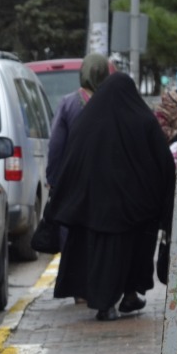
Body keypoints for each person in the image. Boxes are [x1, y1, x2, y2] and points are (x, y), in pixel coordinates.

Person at [44, 71, 176, 321]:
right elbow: (164, 164)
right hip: (135, 210)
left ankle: (105, 303)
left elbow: (72, 159)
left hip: (94, 208)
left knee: (99, 255)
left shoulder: (87, 121)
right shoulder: (143, 120)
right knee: (133, 253)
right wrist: (163, 202)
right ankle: (128, 294)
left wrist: (63, 191)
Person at [44, 53, 110, 299]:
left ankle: (78, 288)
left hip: (73, 181)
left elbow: (56, 145)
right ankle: (97, 283)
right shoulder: (110, 103)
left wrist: (53, 179)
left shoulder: (68, 103)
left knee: (72, 232)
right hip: (103, 183)